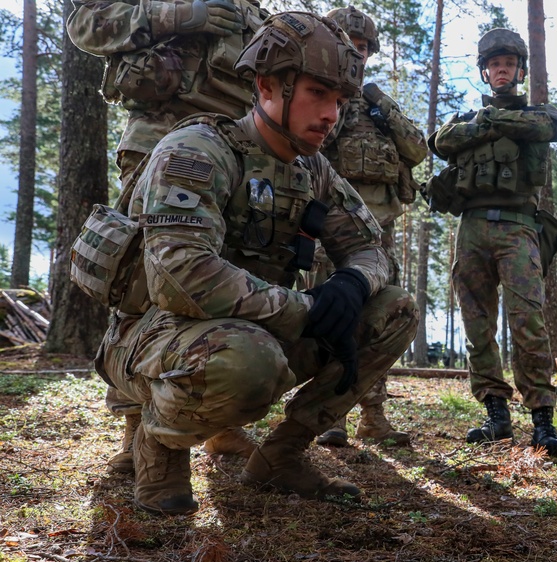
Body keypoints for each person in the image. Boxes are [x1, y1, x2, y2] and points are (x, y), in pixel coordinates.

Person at [72, 11, 417, 515]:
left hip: (250, 329)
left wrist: (351, 282)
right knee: (247, 361)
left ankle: (281, 455)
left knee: (394, 309)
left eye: (340, 101)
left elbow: (370, 248)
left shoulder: (312, 169)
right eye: (318, 94)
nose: (331, 115)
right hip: (153, 338)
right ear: (268, 85)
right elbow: (180, 278)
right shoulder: (198, 150)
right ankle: (158, 446)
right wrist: (306, 308)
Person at [67, 0, 271, 469]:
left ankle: (220, 425)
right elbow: (86, 25)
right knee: (142, 279)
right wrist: (172, 17)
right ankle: (135, 428)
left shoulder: (256, 12)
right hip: (158, 141)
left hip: (234, 154)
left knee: (226, 272)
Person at [427, 28, 557, 456]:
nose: (501, 69)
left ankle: (543, 419)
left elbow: (553, 127)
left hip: (518, 225)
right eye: (493, 65)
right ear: (485, 73)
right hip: (471, 228)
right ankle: (496, 415)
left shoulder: (538, 116)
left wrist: (490, 122)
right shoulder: (464, 121)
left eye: (508, 64)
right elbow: (440, 142)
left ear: (520, 70)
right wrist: (484, 123)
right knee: (477, 323)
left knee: (528, 320)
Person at [313, 5, 428, 448]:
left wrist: (381, 104)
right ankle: (329, 415)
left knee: (382, 317)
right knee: (334, 316)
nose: (356, 55)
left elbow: (416, 150)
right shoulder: (326, 97)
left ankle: (373, 415)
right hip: (334, 230)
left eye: (362, 48)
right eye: (348, 46)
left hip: (379, 230)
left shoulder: (379, 104)